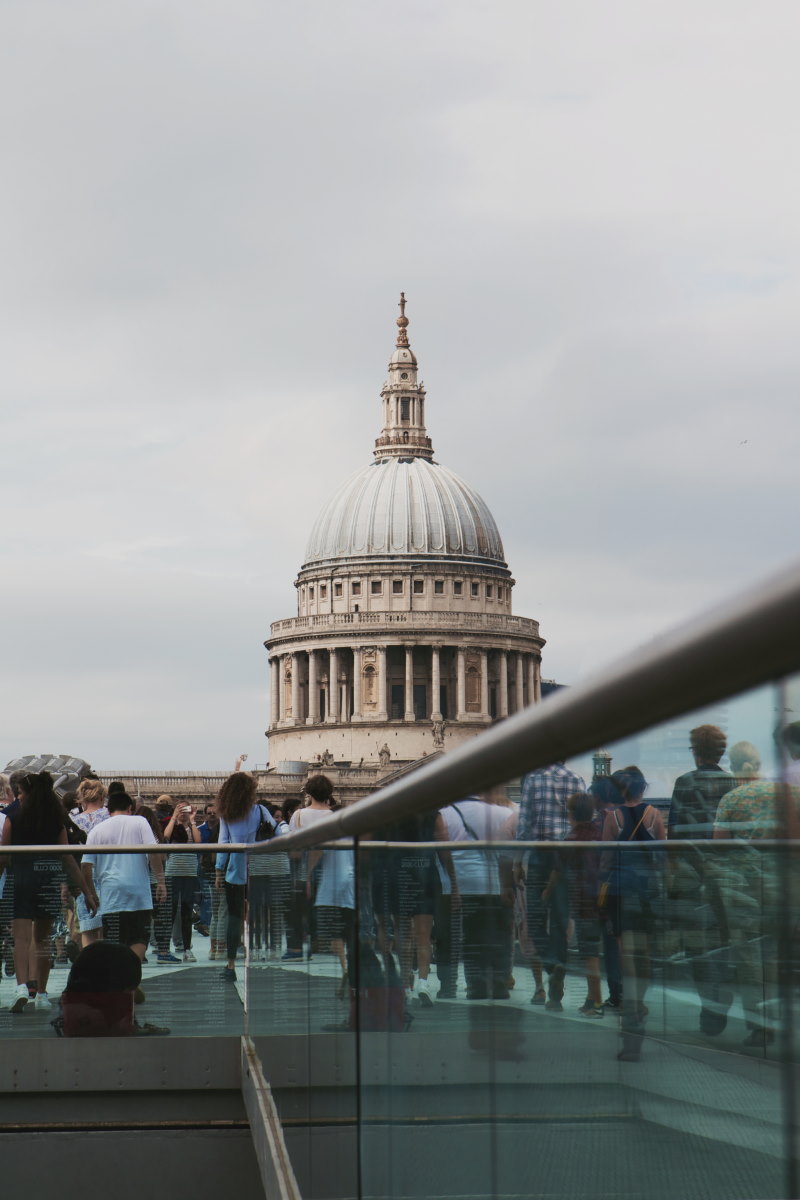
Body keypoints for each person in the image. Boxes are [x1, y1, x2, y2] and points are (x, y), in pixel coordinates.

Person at [712, 741, 800, 1047]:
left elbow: (719, 847)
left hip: (744, 888)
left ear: (734, 768)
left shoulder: (731, 799)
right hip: (788, 885)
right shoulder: (790, 794)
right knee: (780, 953)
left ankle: (762, 1024)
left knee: (750, 958)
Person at [1, 771, 97, 1013]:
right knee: (42, 940)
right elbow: (67, 857)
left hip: (20, 879)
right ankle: (42, 994)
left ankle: (22, 986)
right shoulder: (55, 819)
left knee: (20, 939)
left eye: (21, 792)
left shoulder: (13, 815)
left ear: (26, 793)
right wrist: (86, 891)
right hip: (48, 880)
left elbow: (4, 854)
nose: (18, 797)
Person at [667, 724, 736, 1035]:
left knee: (695, 943)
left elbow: (674, 833)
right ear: (720, 751)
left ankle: (709, 1004)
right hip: (726, 874)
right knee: (725, 939)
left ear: (695, 750)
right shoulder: (731, 782)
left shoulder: (684, 783)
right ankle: (721, 994)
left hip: (692, 874)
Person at [599, 766, 666, 1062]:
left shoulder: (611, 818)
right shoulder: (654, 814)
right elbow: (662, 854)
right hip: (647, 890)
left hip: (620, 890)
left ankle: (631, 1004)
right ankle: (640, 1002)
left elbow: (605, 858)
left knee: (625, 949)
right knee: (646, 952)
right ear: (642, 788)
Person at [514, 761, 586, 1008]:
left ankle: (550, 962)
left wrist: (516, 863)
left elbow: (523, 825)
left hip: (539, 856)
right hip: (566, 857)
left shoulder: (533, 779)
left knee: (534, 918)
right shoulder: (576, 779)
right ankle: (557, 986)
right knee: (560, 921)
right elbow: (584, 820)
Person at [438, 790, 514, 1001]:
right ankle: (499, 984)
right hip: (496, 883)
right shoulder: (502, 813)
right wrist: (508, 885)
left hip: (462, 885)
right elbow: (509, 853)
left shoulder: (446, 813)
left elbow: (443, 853)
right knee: (498, 937)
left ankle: (475, 986)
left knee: (469, 939)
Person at [81, 789, 167, 966]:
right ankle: (131, 975)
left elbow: (85, 866)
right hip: (138, 893)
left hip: (111, 895)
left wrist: (90, 894)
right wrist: (161, 881)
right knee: (139, 939)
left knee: (114, 943)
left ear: (108, 810)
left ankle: (118, 980)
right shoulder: (140, 821)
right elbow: (153, 851)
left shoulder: (96, 831)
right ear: (130, 807)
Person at [542, 793, 604, 1017]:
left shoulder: (570, 840)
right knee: (594, 948)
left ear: (570, 814)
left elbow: (558, 871)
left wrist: (547, 891)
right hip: (602, 897)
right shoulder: (600, 835)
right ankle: (590, 998)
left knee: (589, 952)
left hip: (582, 899)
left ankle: (596, 1002)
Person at [215, 772, 276, 981]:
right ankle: (259, 957)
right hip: (258, 868)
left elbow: (223, 844)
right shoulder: (260, 810)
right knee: (258, 915)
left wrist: (218, 870)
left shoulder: (227, 814)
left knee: (234, 917)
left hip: (235, 870)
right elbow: (275, 832)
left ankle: (230, 965)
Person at [72, 779, 110, 948]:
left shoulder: (73, 820)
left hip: (82, 875)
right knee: (106, 927)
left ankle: (90, 966)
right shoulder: (109, 816)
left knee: (88, 928)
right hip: (107, 872)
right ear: (102, 796)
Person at [163, 799, 201, 962]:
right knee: (170, 910)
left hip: (190, 873)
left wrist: (192, 820)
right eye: (181, 808)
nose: (184, 812)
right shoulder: (173, 826)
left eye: (186, 808)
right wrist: (174, 817)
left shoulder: (192, 828)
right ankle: (165, 948)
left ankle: (187, 948)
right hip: (173, 872)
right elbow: (165, 836)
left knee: (186, 911)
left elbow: (198, 842)